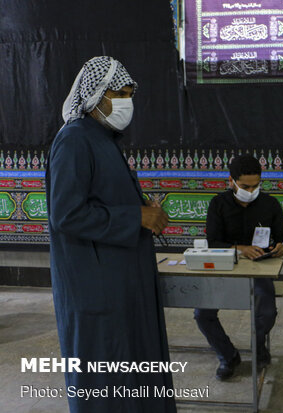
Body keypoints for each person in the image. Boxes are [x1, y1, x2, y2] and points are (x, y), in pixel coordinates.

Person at [46, 56, 176, 413]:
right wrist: (135, 215)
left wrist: (140, 207)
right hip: (97, 289)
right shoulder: (74, 140)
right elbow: (66, 214)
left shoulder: (102, 138)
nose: (126, 101)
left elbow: (102, 198)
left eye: (130, 93)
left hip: (121, 282)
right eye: (120, 92)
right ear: (97, 95)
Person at [194, 155, 283, 380]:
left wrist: (281, 248)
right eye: (245, 186)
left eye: (256, 185)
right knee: (202, 314)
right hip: (224, 271)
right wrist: (240, 249)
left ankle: (257, 348)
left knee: (266, 313)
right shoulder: (218, 204)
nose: (251, 190)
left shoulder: (270, 204)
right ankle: (228, 356)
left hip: (258, 271)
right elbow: (213, 243)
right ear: (231, 181)